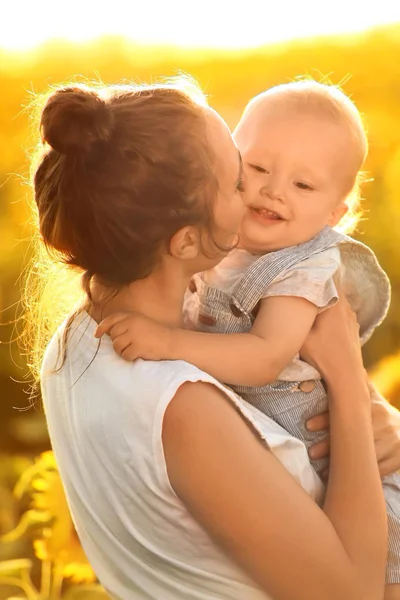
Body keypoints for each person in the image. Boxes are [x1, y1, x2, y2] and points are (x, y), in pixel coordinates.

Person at [31, 78, 393, 600]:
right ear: (186, 240)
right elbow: (354, 593)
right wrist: (346, 382)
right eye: (240, 178)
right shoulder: (181, 404)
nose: (259, 193)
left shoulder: (76, 341)